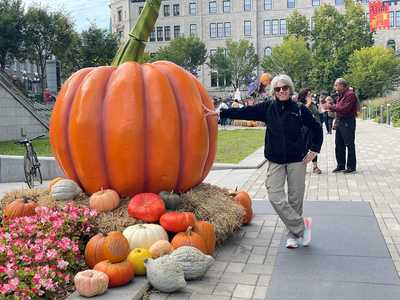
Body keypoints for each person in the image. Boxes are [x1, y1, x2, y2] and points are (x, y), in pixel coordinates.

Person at [219, 74, 323, 249]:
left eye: (284, 88)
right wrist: (220, 113)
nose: (281, 91)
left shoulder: (299, 109)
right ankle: (300, 227)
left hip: (297, 159)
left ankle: (293, 234)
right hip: (275, 160)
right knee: (275, 196)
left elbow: (316, 128)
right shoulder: (268, 108)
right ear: (273, 91)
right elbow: (244, 112)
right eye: (277, 89)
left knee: (295, 198)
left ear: (290, 89)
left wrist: (314, 149)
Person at [327, 78, 358, 173]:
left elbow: (344, 109)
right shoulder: (341, 95)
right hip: (340, 121)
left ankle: (351, 166)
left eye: (336, 85)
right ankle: (340, 165)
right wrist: (336, 122)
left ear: (342, 85)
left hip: (348, 121)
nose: (334, 87)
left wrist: (331, 107)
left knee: (349, 144)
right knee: (339, 144)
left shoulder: (350, 95)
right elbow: (338, 108)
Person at [298, 88, 322, 174]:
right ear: (303, 96)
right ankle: (302, 166)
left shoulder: (313, 103)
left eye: (311, 94)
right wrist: (308, 103)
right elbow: (302, 113)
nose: (310, 96)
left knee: (314, 147)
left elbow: (318, 113)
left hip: (315, 128)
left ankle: (315, 167)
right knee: (304, 147)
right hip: (305, 129)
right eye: (308, 94)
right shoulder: (301, 104)